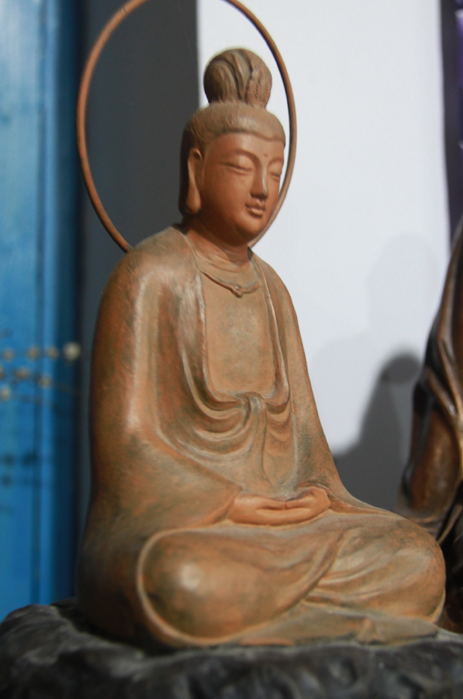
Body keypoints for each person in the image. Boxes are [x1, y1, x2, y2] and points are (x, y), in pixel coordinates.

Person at [78, 49, 445, 649]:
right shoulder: (148, 277)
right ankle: (308, 620)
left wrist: (314, 495)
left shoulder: (272, 293)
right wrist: (230, 502)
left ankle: (275, 620)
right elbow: (127, 447)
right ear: (195, 169)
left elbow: (307, 443)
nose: (261, 191)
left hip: (284, 530)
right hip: (192, 527)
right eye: (241, 167)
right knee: (179, 578)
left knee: (417, 557)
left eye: (274, 172)